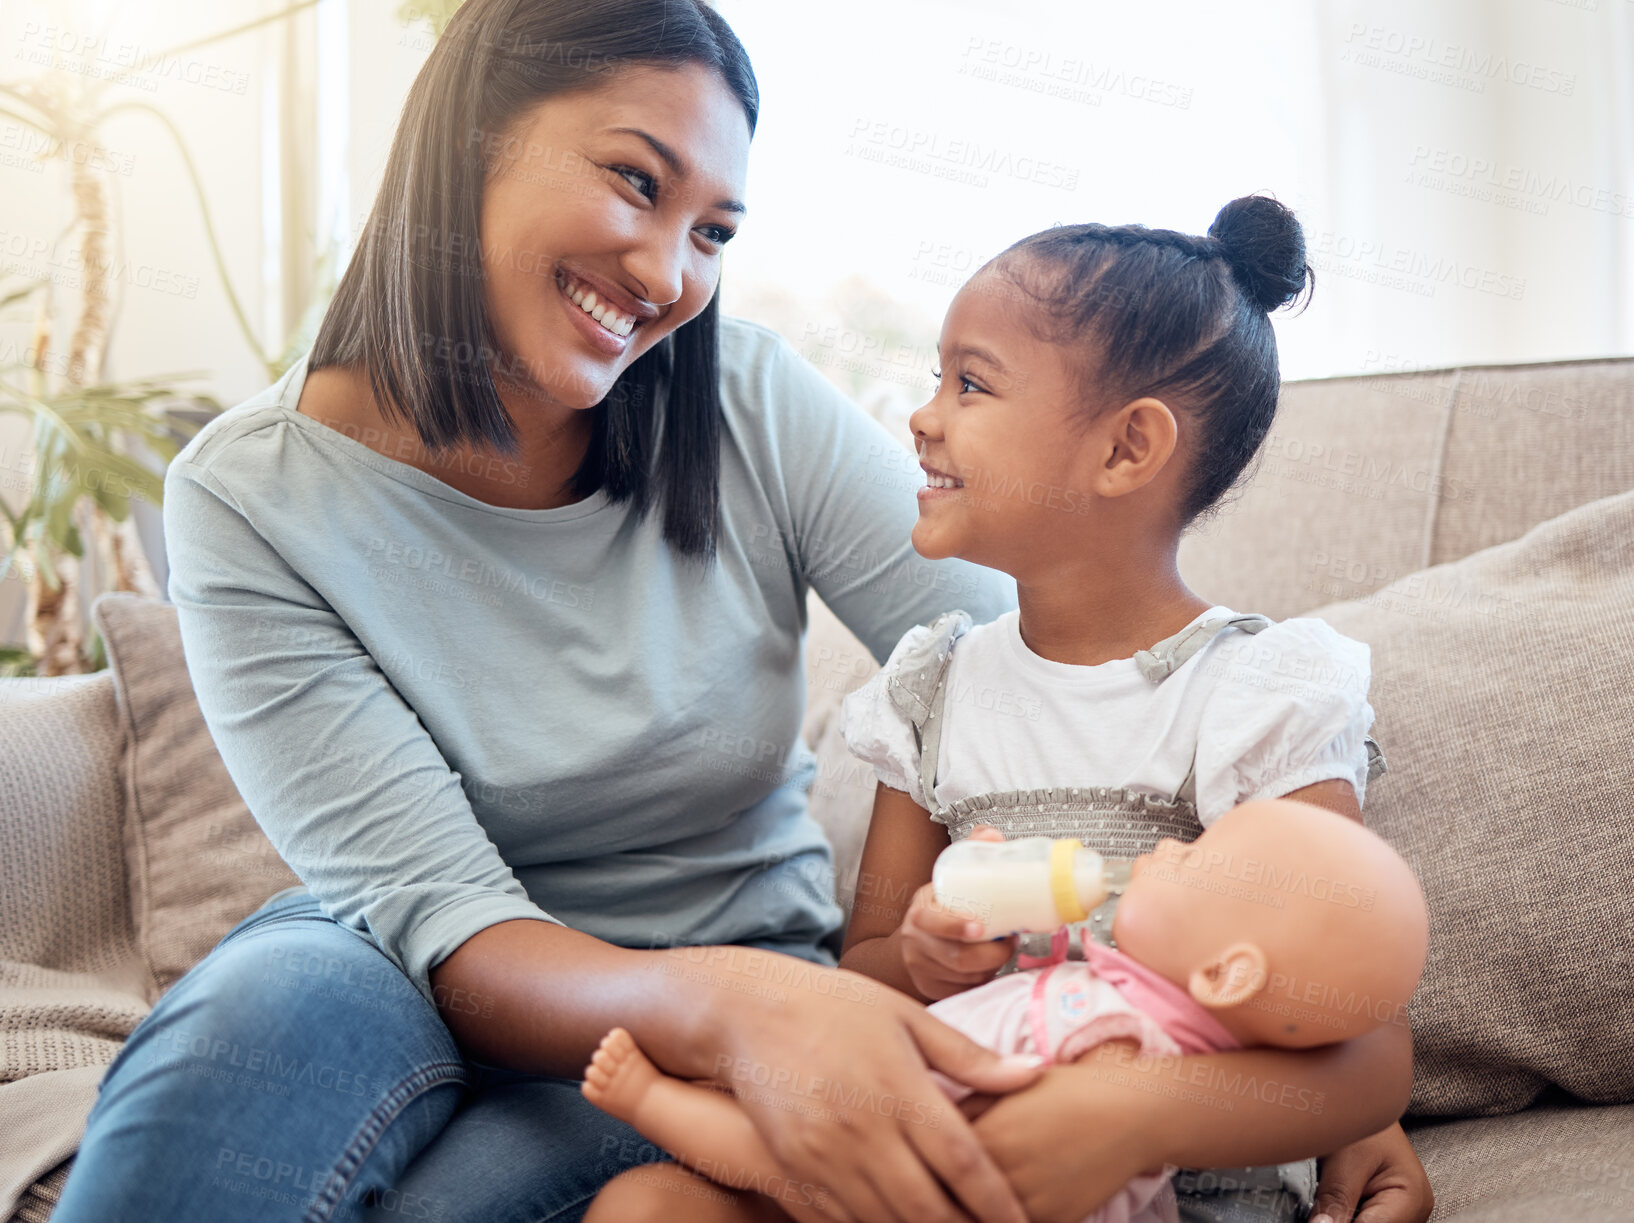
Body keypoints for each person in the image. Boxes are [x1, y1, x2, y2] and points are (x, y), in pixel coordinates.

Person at [49, 0, 1431, 1212]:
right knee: (259, 1001)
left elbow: (1050, 668)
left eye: (710, 228)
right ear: (470, 138)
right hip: (414, 968)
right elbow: (433, 906)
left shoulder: (745, 398)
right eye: (632, 183)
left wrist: (1303, 1066)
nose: (667, 273)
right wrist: (749, 1001)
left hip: (704, 1010)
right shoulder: (249, 496)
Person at [582, 198, 1434, 1223]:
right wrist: (928, 959)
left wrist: (1129, 1116)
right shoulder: (933, 691)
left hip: (1174, 1193)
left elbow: (1358, 1034)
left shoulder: (1254, 694)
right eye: (938, 376)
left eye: (971, 383)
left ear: (1125, 450)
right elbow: (870, 971)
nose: (923, 414)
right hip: (945, 1169)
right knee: (647, 1205)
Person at [578, 799, 1430, 1223]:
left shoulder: (1126, 1043)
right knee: (641, 1204)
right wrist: (966, 919)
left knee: (775, 1168)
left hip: (913, 1181)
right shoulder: (1109, 980)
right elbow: (978, 980)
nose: (1167, 847)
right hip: (878, 1117)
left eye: (1196, 857)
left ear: (1226, 972)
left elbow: (1039, 1149)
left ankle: (661, 1102)